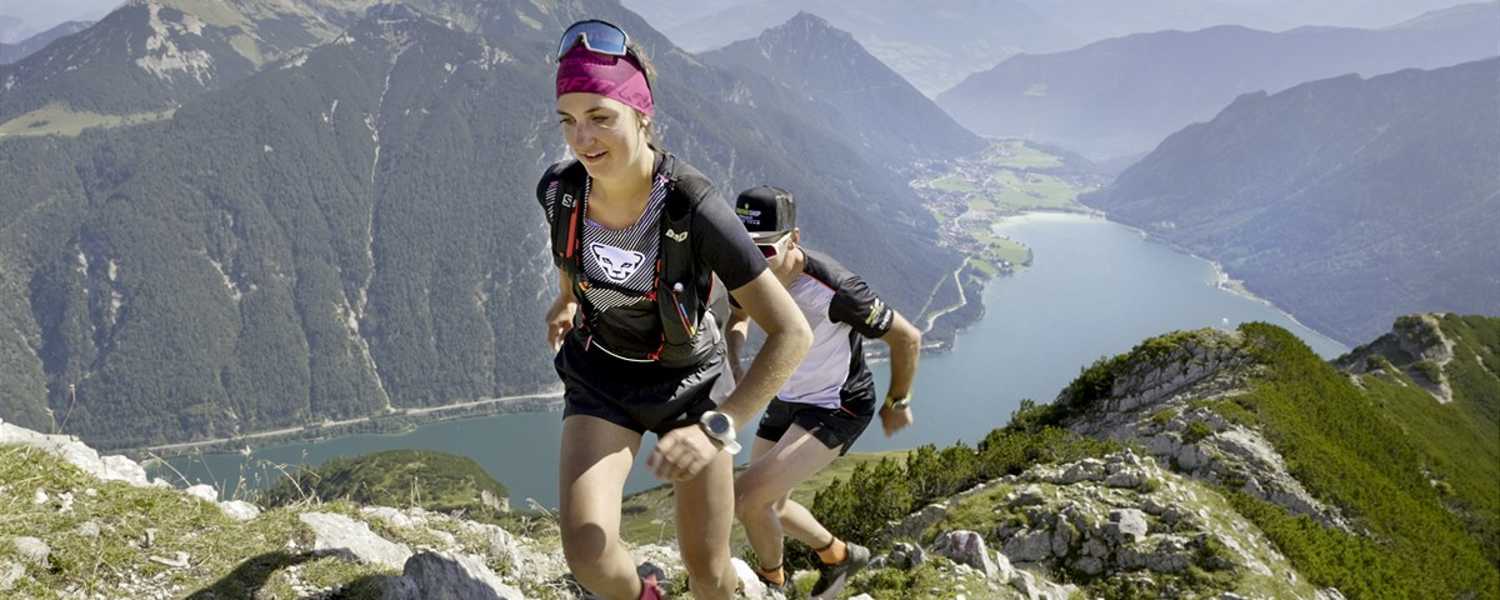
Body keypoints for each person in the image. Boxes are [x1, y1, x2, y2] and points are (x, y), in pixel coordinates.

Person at [539, 20, 812, 600]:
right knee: (587, 552)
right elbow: (571, 259)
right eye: (568, 119)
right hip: (601, 374)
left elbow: (792, 332)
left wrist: (720, 426)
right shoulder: (562, 191)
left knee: (710, 576)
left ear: (641, 114)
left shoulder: (694, 207)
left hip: (691, 389)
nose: (581, 137)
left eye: (600, 116)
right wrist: (565, 302)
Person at [726, 186, 923, 599]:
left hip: (839, 405)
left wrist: (898, 400)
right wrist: (738, 360)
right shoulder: (748, 270)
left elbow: (907, 338)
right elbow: (737, 319)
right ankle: (840, 556)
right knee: (769, 502)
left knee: (747, 499)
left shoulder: (836, 288)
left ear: (793, 239)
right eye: (743, 247)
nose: (751, 259)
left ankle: (772, 584)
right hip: (787, 393)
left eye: (765, 249)